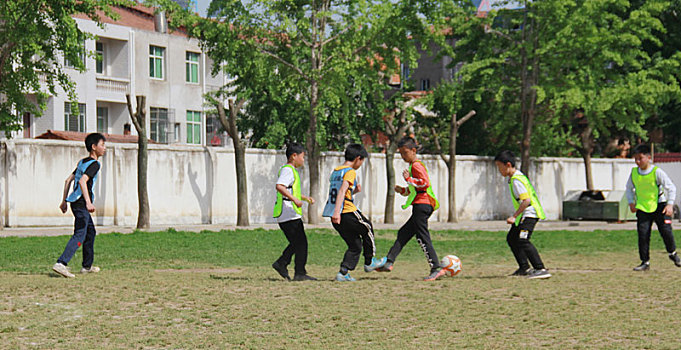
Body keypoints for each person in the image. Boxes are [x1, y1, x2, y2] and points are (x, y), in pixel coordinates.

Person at [376, 137, 444, 281]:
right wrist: (404, 190)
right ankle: (389, 262)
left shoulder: (416, 165)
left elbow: (424, 183)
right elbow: (416, 189)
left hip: (423, 205)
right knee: (404, 233)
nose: (403, 156)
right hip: (421, 203)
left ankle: (436, 267)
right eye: (400, 153)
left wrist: (408, 180)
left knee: (422, 236)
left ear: (414, 150)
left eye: (405, 153)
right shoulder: (414, 166)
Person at [323, 144, 386, 281]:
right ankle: (370, 262)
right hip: (345, 211)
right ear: (358, 158)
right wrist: (337, 213)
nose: (361, 164)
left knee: (355, 245)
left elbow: (342, 191)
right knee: (367, 227)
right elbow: (341, 191)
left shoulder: (336, 171)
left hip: (336, 214)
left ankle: (343, 272)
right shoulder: (350, 171)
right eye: (362, 161)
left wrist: (354, 191)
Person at [52, 133, 107, 278]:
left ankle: (86, 266)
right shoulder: (95, 164)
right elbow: (83, 181)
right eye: (102, 145)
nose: (105, 148)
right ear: (94, 147)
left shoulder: (82, 162)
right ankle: (61, 263)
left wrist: (64, 201)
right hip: (82, 204)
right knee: (80, 234)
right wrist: (88, 202)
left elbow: (68, 180)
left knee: (90, 232)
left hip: (75, 202)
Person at [494, 150, 551, 279]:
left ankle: (540, 268)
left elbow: (526, 200)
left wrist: (514, 216)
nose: (499, 170)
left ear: (508, 165)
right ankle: (524, 267)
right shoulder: (515, 177)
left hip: (530, 214)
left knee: (523, 240)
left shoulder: (516, 180)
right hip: (523, 215)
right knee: (512, 238)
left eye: (499, 166)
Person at [626, 144, 680, 271]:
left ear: (648, 157)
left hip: (660, 206)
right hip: (643, 207)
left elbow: (671, 187)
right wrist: (631, 203)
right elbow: (629, 188)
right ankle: (645, 262)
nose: (638, 161)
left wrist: (670, 204)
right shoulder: (634, 173)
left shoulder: (657, 172)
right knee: (643, 234)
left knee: (666, 231)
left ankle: (673, 253)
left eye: (640, 158)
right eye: (635, 159)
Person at [272, 143, 317, 281]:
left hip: (288, 213)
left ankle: (282, 264)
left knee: (297, 243)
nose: (303, 160)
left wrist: (303, 198)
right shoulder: (288, 170)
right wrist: (295, 200)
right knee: (301, 243)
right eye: (303, 157)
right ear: (294, 156)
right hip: (288, 213)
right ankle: (299, 273)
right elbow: (280, 186)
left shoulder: (291, 171)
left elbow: (290, 190)